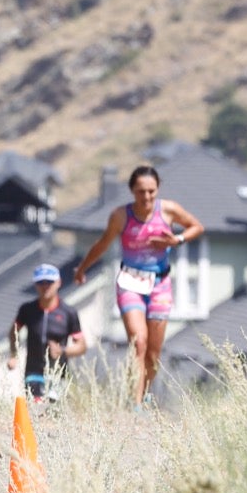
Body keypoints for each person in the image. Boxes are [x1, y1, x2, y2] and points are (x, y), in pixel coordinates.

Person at [73, 165, 204, 406]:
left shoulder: (169, 210)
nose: (146, 197)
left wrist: (177, 239)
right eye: (141, 192)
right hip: (130, 283)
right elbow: (102, 244)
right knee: (139, 342)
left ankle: (144, 395)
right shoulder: (120, 216)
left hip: (160, 284)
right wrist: (82, 269)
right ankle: (134, 404)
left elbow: (196, 227)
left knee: (153, 352)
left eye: (151, 192)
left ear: (158, 190)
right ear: (132, 191)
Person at [7, 263, 87, 404]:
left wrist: (62, 350)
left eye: (49, 282)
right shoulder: (27, 309)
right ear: (35, 284)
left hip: (58, 374)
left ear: (58, 283)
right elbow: (13, 332)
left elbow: (81, 346)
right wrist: (14, 354)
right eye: (40, 282)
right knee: (37, 407)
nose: (45, 286)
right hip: (33, 372)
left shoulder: (68, 312)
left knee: (54, 411)